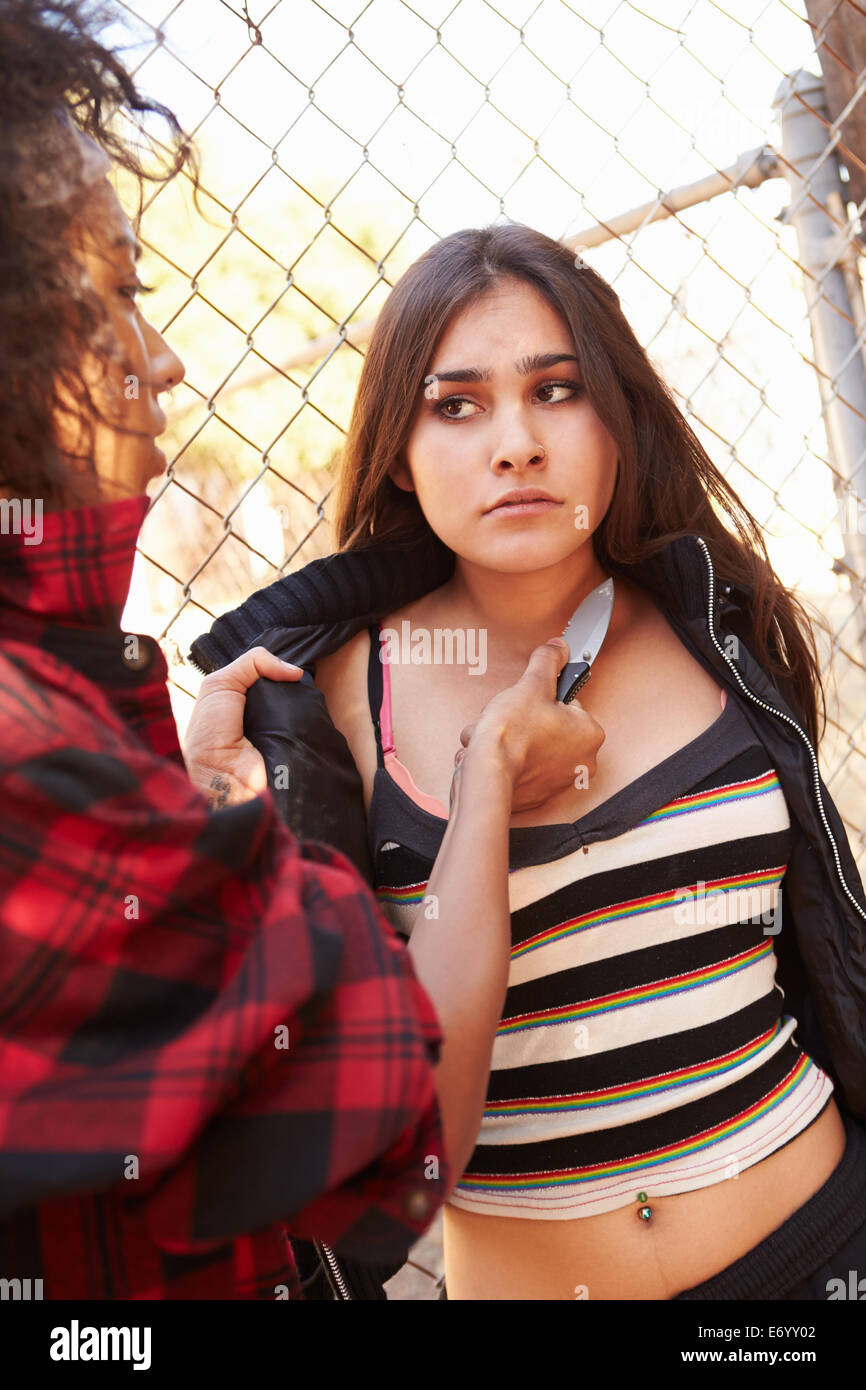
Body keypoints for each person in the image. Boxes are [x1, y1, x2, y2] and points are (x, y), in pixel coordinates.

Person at [0, 0, 604, 1300]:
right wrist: (463, 784)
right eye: (113, 294)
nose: (159, 361)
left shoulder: (712, 619)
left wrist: (178, 798)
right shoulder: (50, 745)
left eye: (557, 389)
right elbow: (393, 1140)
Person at [191, 223, 866, 1300]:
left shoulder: (716, 625)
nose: (514, 442)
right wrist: (483, 795)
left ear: (617, 416)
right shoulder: (321, 708)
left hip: (819, 1257)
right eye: (454, 405)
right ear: (399, 454)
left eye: (555, 389)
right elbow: (414, 1147)